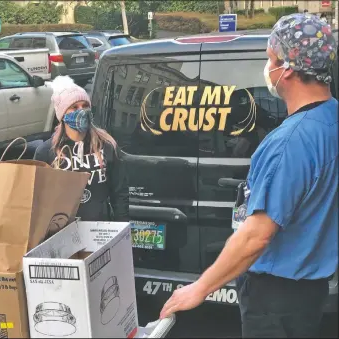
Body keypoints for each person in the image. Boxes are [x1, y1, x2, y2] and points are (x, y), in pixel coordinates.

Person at [160, 13, 338, 338]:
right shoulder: (331, 118)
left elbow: (256, 236)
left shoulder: (290, 142)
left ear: (289, 68)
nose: (268, 67)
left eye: (271, 59)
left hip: (275, 301)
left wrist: (200, 288)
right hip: (309, 293)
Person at [34, 76, 129, 222]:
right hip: (62, 230)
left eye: (85, 105)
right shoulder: (46, 151)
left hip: (100, 228)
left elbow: (119, 193)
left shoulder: (107, 146)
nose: (82, 111)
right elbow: (38, 198)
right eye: (74, 107)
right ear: (63, 114)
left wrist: (122, 227)